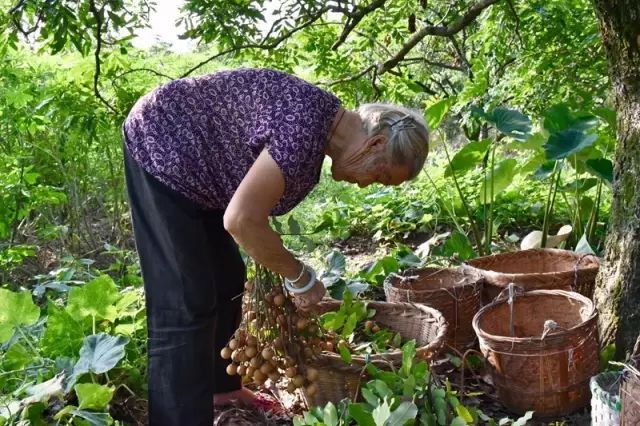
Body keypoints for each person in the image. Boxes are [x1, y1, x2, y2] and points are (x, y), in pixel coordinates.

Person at [122, 68, 429, 425]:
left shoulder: (321, 122)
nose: (366, 185)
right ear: (375, 144)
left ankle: (221, 389)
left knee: (227, 279)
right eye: (380, 176)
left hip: (202, 171)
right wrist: (300, 277)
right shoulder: (304, 131)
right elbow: (241, 220)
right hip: (160, 143)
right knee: (184, 302)